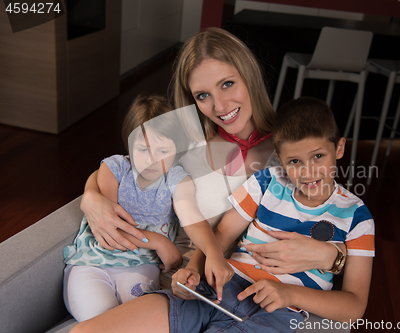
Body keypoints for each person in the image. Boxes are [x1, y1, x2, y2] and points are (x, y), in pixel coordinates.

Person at [70, 97, 374, 332]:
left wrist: (288, 294)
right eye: (294, 161)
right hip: (219, 288)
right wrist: (193, 270)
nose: (307, 172)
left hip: (278, 312)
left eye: (318, 156)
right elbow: (220, 237)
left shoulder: (357, 216)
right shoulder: (266, 182)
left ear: (339, 148)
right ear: (280, 159)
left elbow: (354, 305)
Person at [78, 27, 342, 297]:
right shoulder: (186, 142)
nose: (220, 106)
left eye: (227, 84)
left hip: (233, 288)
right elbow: (123, 166)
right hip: (157, 275)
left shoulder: (292, 151)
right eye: (202, 95)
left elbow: (332, 214)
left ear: (248, 76)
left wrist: (334, 256)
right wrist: (90, 196)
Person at [63, 94, 231, 322]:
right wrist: (160, 242)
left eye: (163, 152)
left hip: (141, 268)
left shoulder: (177, 180)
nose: (152, 160)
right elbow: (111, 227)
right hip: (92, 263)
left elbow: (192, 219)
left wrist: (213, 253)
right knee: (100, 320)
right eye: (143, 149)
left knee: (137, 323)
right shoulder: (114, 169)